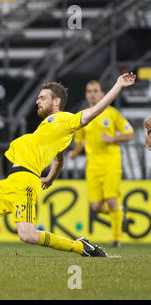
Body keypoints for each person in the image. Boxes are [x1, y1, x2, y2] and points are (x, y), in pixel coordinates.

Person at [0, 73, 136, 257]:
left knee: (27, 235)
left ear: (56, 101)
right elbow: (59, 159)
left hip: (25, 182)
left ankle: (81, 247)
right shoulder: (50, 130)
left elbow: (92, 113)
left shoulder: (64, 119)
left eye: (42, 97)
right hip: (13, 180)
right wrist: (50, 178)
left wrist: (117, 86)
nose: (37, 101)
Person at [68, 80, 134, 247]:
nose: (92, 94)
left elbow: (129, 134)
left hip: (111, 164)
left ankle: (117, 239)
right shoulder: (84, 116)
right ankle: (119, 213)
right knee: (96, 206)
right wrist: (74, 153)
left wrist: (112, 138)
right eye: (89, 91)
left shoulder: (112, 114)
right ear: (86, 94)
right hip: (93, 166)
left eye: (95, 91)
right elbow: (80, 141)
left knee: (111, 199)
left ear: (102, 94)